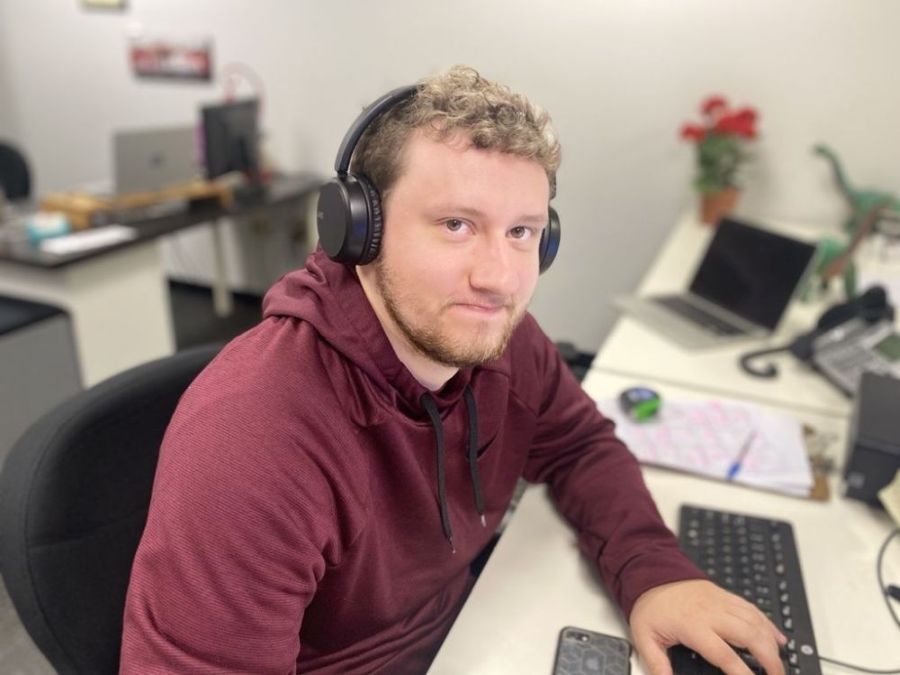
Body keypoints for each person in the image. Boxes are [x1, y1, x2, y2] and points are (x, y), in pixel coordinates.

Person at [121, 65, 786, 674]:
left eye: (522, 232)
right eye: (457, 225)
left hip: (473, 632)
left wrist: (656, 572)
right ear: (358, 229)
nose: (498, 278)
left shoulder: (503, 342)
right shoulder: (253, 439)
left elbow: (580, 444)